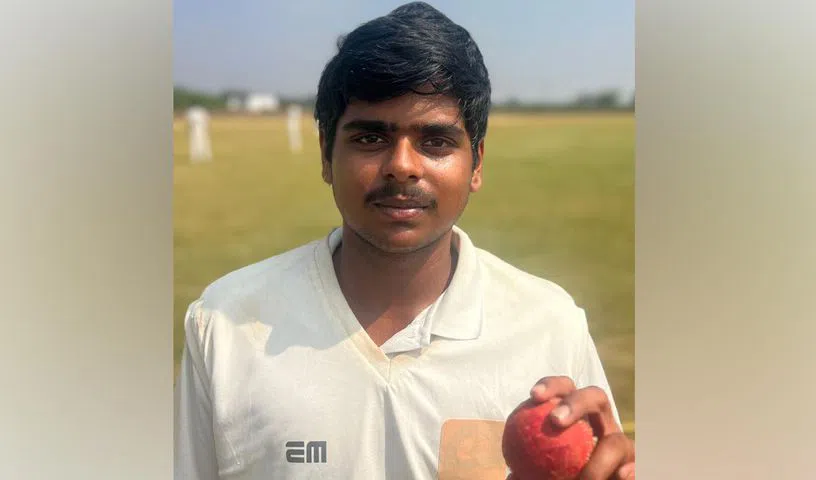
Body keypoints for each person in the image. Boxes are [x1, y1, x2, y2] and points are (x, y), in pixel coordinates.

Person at [174, 2, 635, 479]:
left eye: (435, 142)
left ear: (476, 164)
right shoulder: (226, 324)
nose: (402, 166)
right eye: (370, 138)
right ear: (326, 156)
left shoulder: (548, 324)